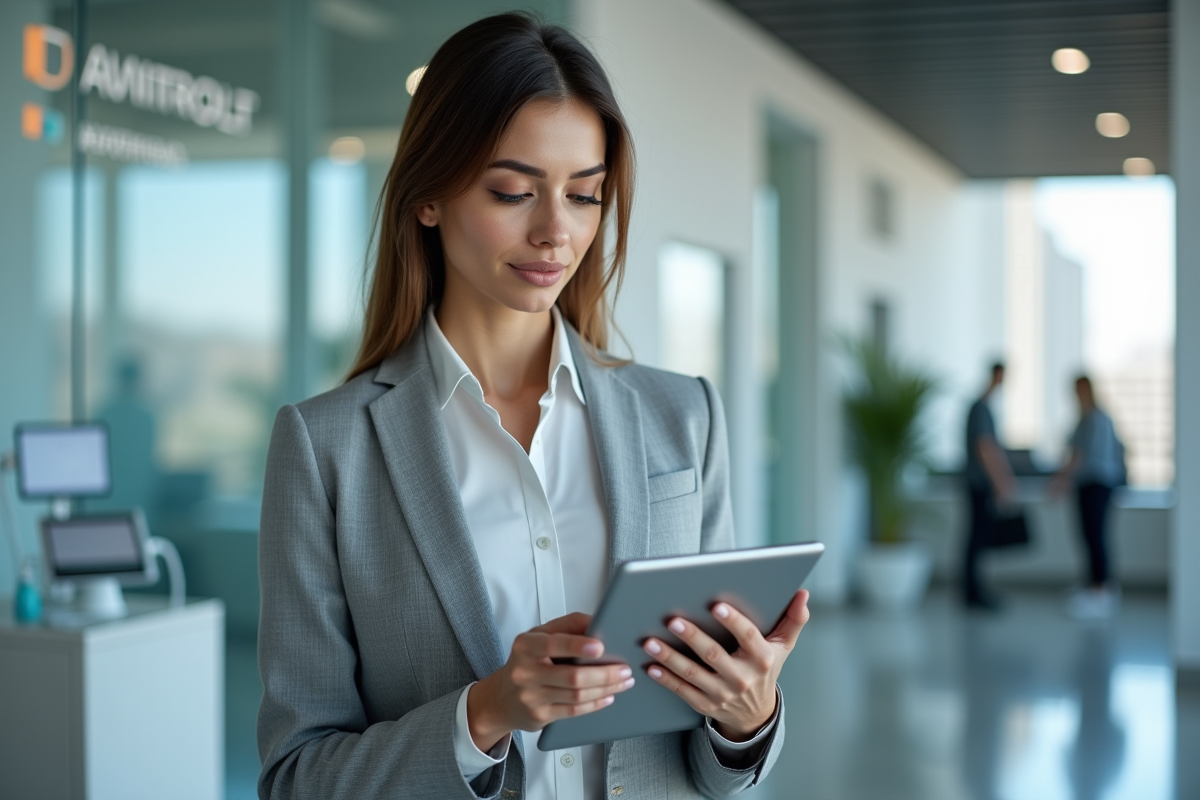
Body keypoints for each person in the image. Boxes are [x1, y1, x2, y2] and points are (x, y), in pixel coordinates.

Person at [255, 13, 810, 800]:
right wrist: (482, 713)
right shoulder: (327, 448)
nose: (555, 231)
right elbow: (294, 779)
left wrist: (747, 716)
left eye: (585, 195)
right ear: (427, 198)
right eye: (513, 191)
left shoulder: (684, 417)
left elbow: (712, 765)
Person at [1051, 375, 1125, 619]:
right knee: (1087, 535)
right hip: (1086, 484)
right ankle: (1091, 584)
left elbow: (1079, 455)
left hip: (1099, 484)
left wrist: (1061, 480)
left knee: (1096, 535)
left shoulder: (1097, 418)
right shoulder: (1084, 419)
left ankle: (1101, 590)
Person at [962, 361, 1017, 610]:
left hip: (979, 482)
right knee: (977, 537)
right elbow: (985, 448)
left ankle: (975, 589)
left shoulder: (982, 408)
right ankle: (972, 592)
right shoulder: (980, 408)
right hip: (979, 483)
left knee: (978, 537)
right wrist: (1001, 482)